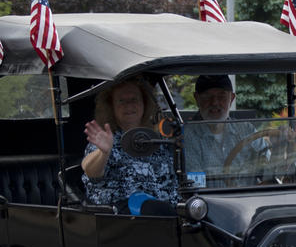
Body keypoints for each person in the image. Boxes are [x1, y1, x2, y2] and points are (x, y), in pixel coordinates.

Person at [81, 78, 178, 213]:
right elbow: (91, 172)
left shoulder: (159, 139)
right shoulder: (105, 138)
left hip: (169, 211)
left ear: (144, 103)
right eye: (121, 101)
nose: (129, 105)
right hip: (123, 216)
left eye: (134, 100)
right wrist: (104, 153)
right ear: (111, 107)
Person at [182, 75, 259, 187]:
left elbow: (270, 166)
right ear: (197, 99)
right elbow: (196, 187)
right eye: (207, 96)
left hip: (251, 200)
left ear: (231, 98)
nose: (214, 102)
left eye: (221, 96)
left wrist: (281, 146)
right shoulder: (188, 136)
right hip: (211, 203)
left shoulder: (247, 130)